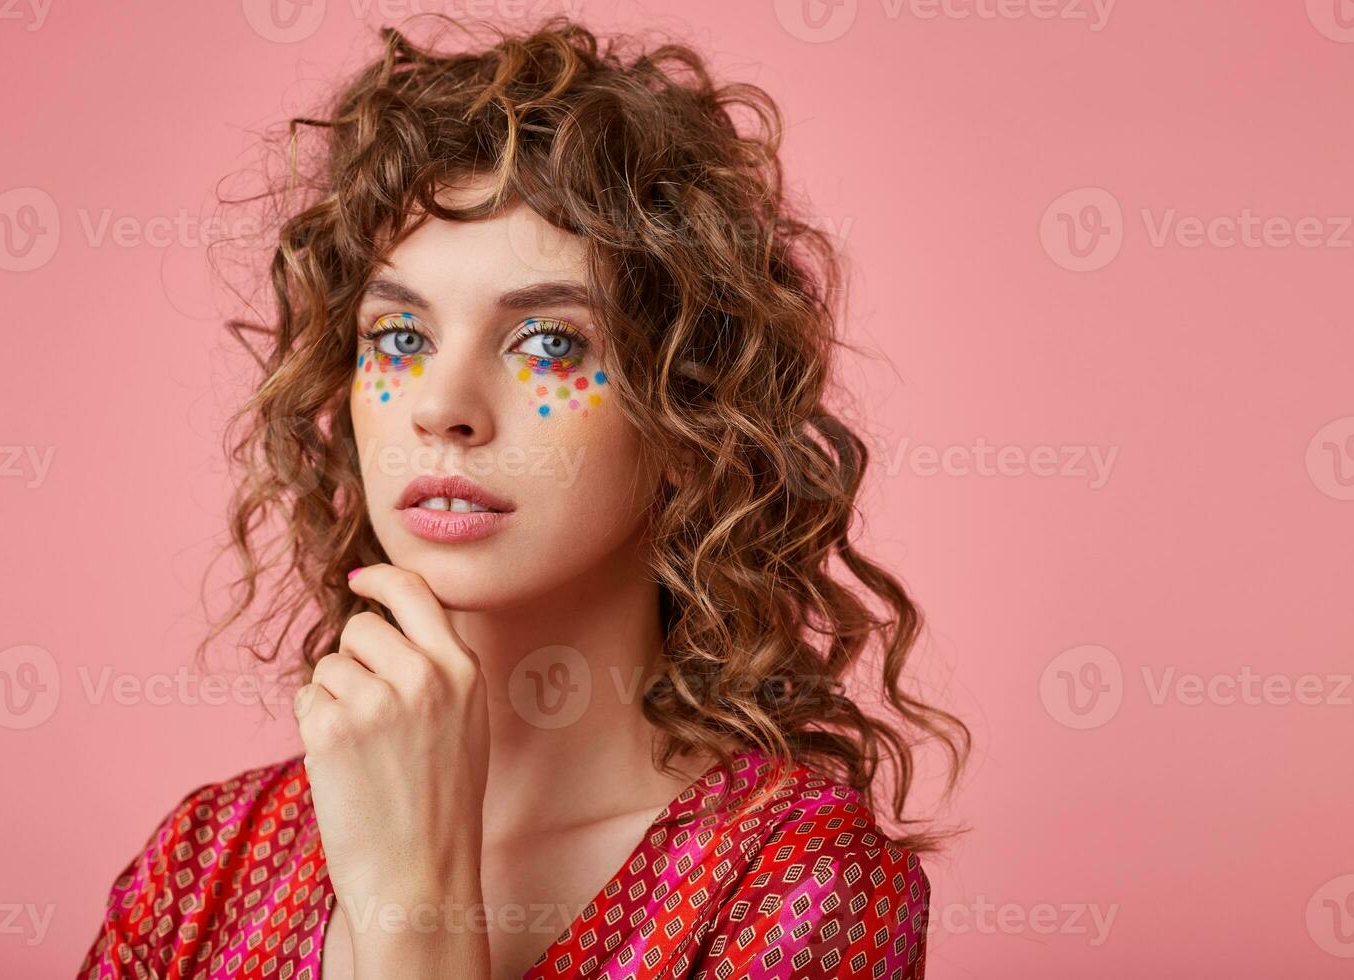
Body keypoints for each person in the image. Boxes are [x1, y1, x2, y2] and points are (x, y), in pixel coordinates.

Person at [75, 15, 969, 979]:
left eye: (548, 344)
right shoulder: (206, 862)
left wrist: (412, 907)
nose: (442, 408)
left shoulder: (801, 887)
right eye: (400, 338)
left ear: (686, 418)